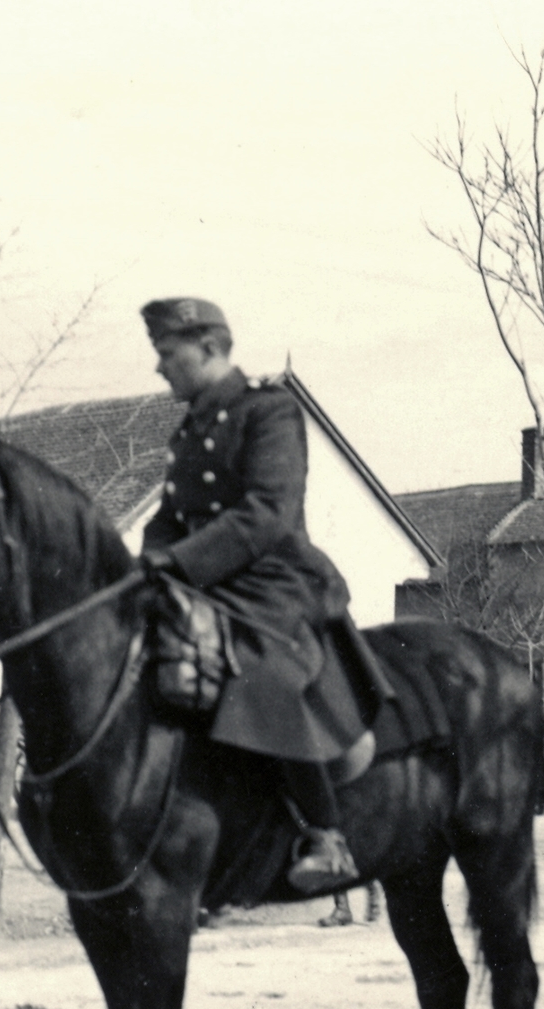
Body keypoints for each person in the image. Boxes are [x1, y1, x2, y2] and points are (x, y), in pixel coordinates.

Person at [136, 297, 392, 893]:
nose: (159, 368)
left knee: (260, 672)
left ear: (208, 348)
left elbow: (268, 514)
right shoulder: (190, 428)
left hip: (273, 581)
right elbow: (171, 516)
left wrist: (180, 562)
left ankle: (327, 837)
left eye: (166, 354)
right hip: (203, 579)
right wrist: (146, 564)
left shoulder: (268, 411)